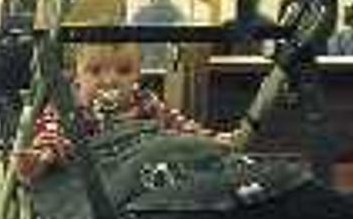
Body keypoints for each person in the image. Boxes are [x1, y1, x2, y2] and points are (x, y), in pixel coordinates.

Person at [16, 43, 235, 184]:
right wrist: (42, 156)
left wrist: (211, 140)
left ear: (138, 74)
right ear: (76, 74)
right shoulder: (68, 107)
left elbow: (178, 125)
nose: (110, 80)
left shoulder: (144, 101)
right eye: (95, 71)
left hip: (137, 179)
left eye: (124, 71)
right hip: (88, 185)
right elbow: (53, 133)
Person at [132, 0, 185, 70]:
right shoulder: (178, 15)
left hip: (144, 65)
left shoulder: (140, 13)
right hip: (167, 68)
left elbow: (132, 43)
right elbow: (182, 46)